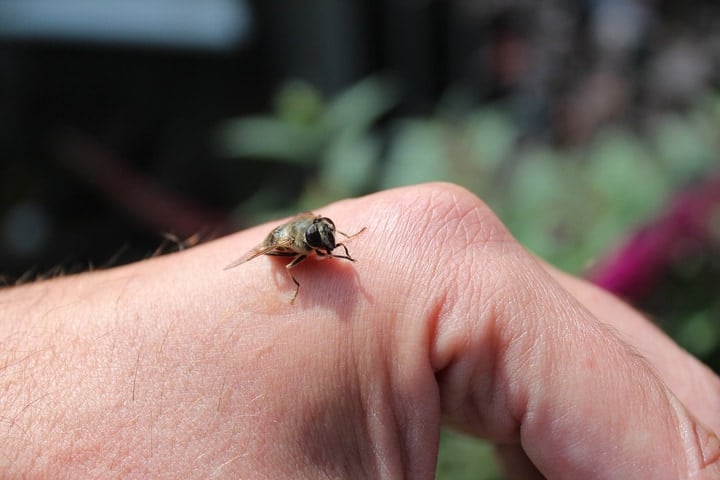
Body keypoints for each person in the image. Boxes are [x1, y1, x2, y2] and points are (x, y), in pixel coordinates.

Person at [1, 183, 718, 479]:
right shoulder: (295, 249)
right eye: (325, 243)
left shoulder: (321, 236)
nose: (329, 247)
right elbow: (285, 250)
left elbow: (322, 238)